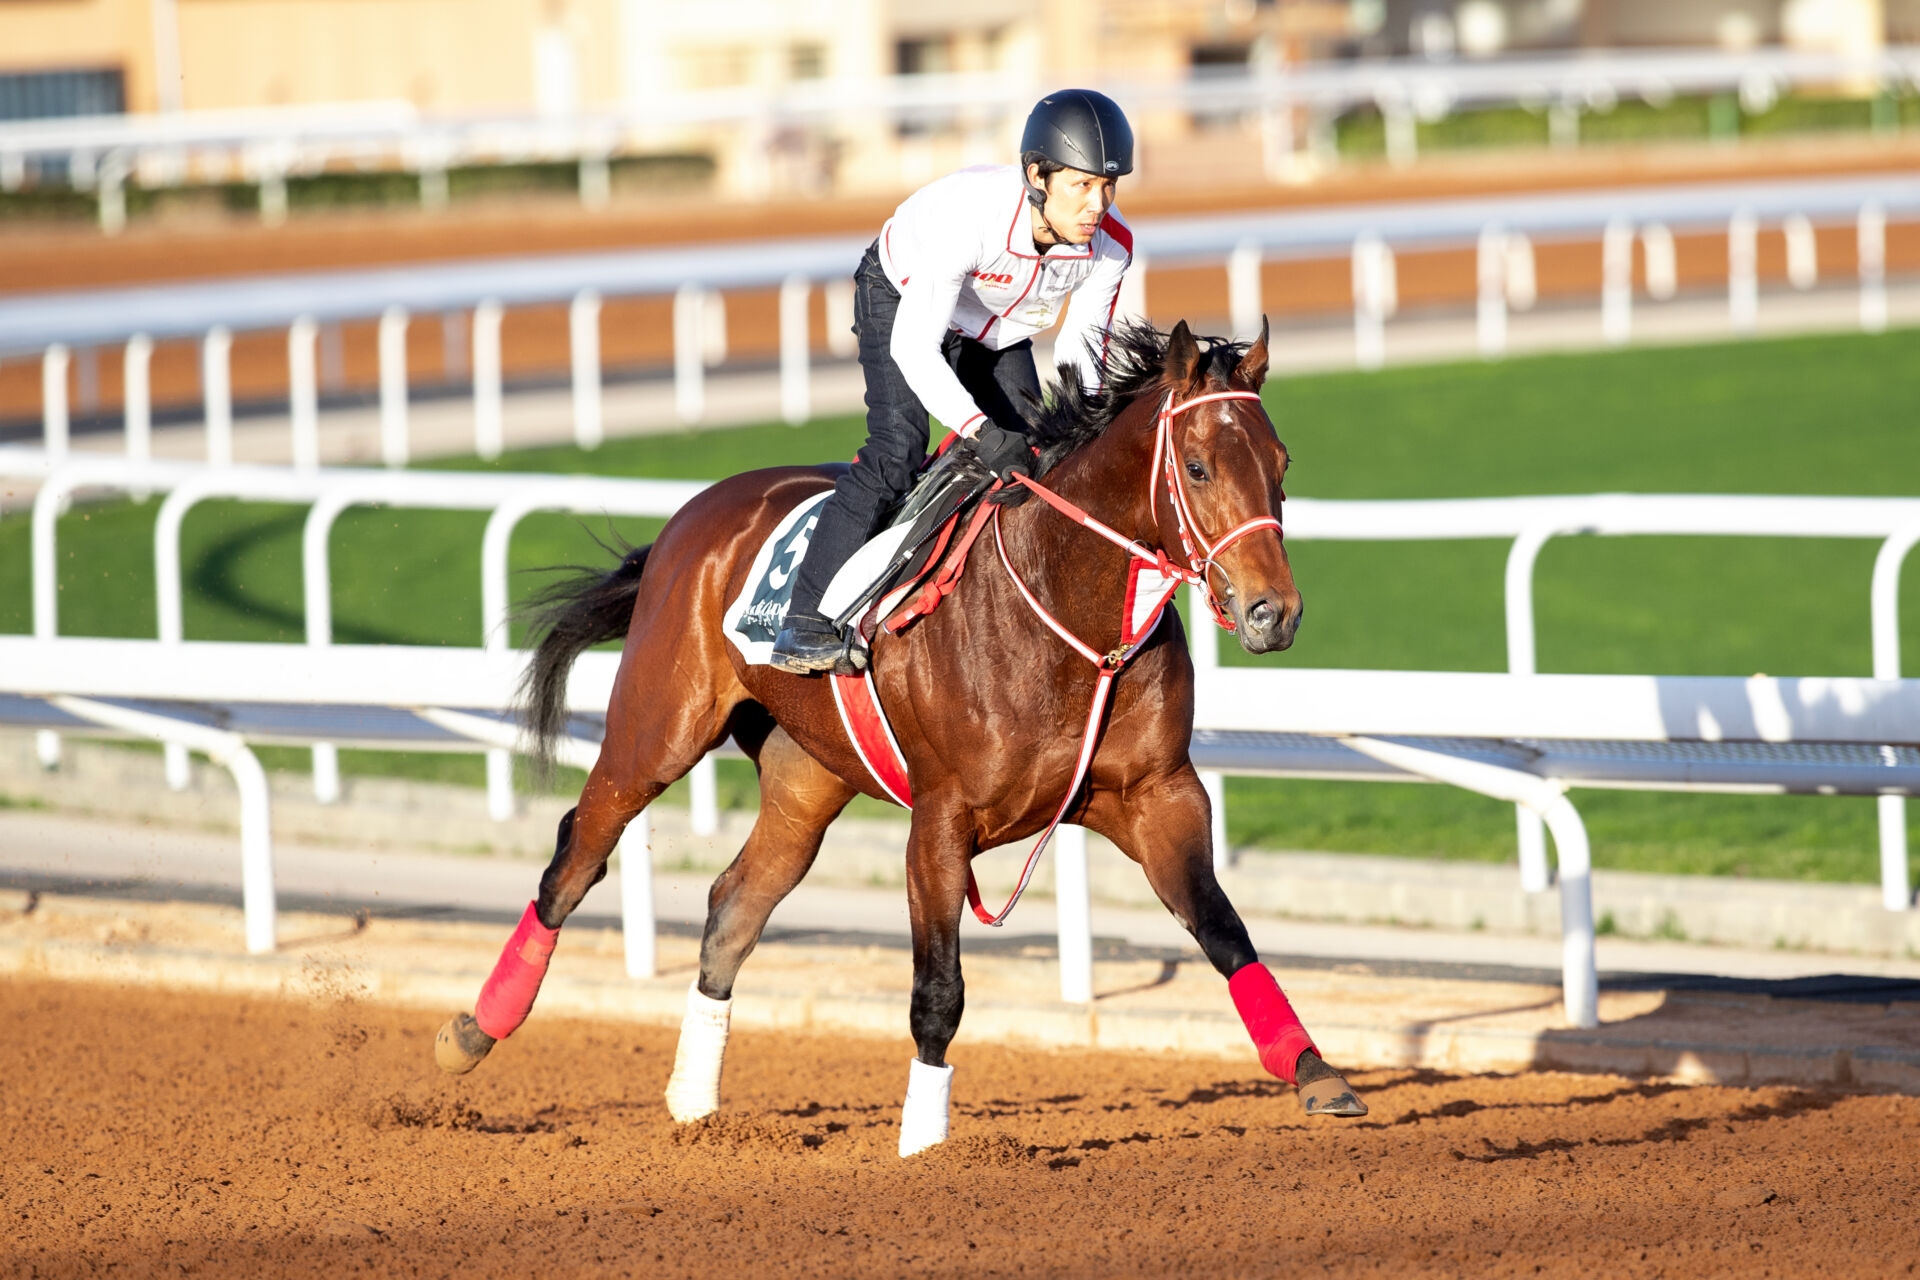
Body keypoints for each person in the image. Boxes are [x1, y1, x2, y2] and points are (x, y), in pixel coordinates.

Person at [768, 88, 1137, 674]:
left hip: (991, 328)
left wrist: (1080, 429)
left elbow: (1081, 358)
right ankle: (803, 620)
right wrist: (975, 429)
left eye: (1108, 186)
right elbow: (915, 348)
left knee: (1035, 458)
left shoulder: (1110, 249)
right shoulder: (970, 218)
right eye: (1082, 185)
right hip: (902, 300)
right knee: (898, 449)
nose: (1099, 205)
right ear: (1037, 176)